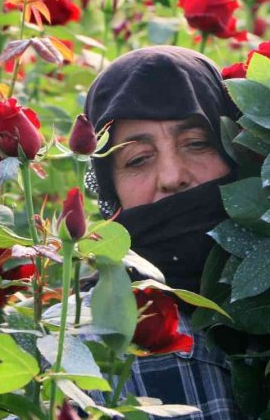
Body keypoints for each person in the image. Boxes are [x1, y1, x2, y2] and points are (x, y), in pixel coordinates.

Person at [83, 45, 245, 419]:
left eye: (197, 143)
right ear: (111, 189)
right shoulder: (80, 348)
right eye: (138, 159)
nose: (173, 177)